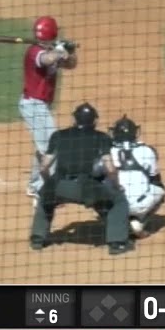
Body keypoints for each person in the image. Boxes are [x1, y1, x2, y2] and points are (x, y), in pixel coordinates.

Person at [30, 102, 134, 256]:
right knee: (118, 200)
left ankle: (37, 239)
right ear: (95, 120)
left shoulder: (58, 135)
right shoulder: (102, 137)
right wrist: (117, 186)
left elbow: (43, 167)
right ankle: (117, 243)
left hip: (59, 186)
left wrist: (48, 184)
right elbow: (110, 169)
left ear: (74, 119)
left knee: (45, 196)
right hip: (86, 189)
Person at [19, 15, 78, 200]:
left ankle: (35, 184)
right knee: (52, 145)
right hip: (33, 105)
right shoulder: (34, 51)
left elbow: (71, 65)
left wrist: (69, 51)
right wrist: (59, 51)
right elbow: (46, 59)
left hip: (41, 106)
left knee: (44, 146)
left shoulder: (51, 49)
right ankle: (42, 188)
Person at [108, 115, 165, 239]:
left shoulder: (108, 152)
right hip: (140, 205)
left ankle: (112, 221)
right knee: (161, 190)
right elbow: (156, 179)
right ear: (135, 132)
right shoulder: (146, 150)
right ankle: (140, 221)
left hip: (116, 205)